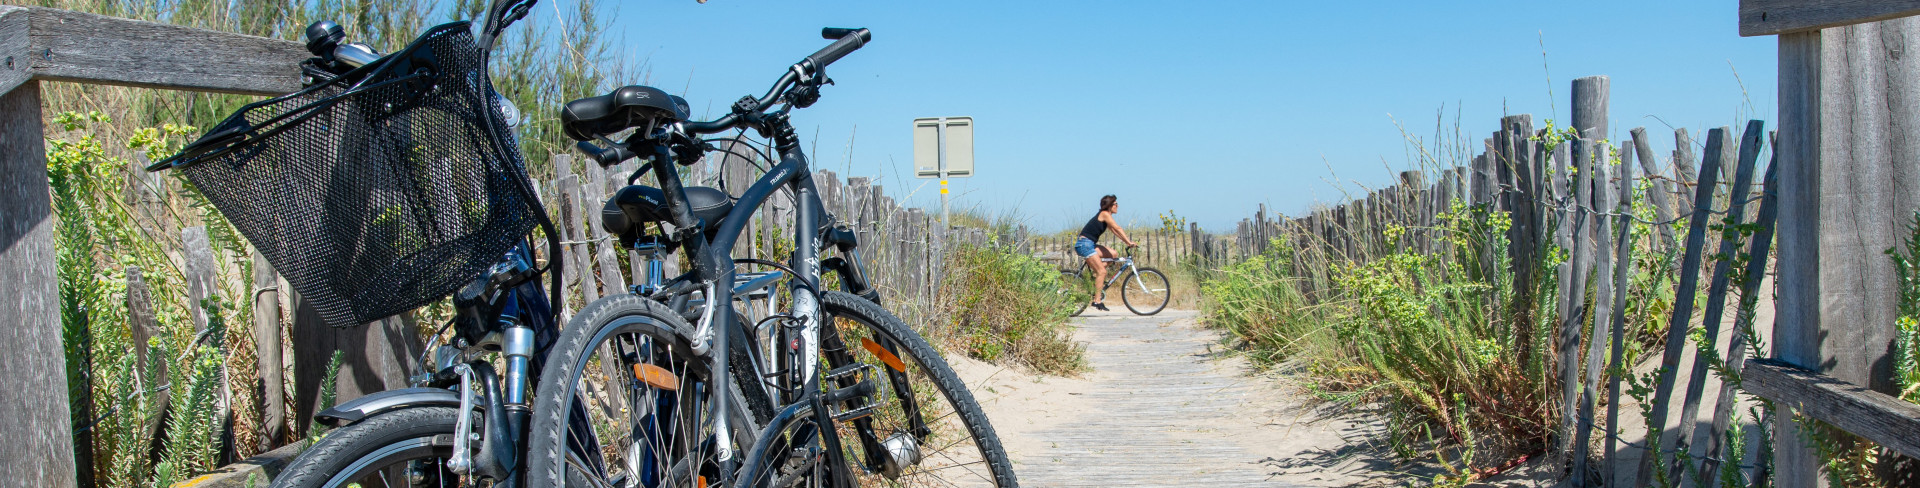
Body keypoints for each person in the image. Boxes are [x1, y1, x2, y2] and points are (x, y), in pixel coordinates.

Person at [1074, 194, 1136, 311]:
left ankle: (1096, 276)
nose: (1117, 206)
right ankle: (1097, 301)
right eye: (1116, 204)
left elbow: (1114, 231)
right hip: (1084, 244)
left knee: (1113, 254)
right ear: (1110, 205)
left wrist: (1127, 242)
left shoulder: (1106, 217)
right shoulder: (1104, 214)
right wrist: (1128, 242)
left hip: (1089, 244)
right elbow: (1118, 228)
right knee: (1102, 271)